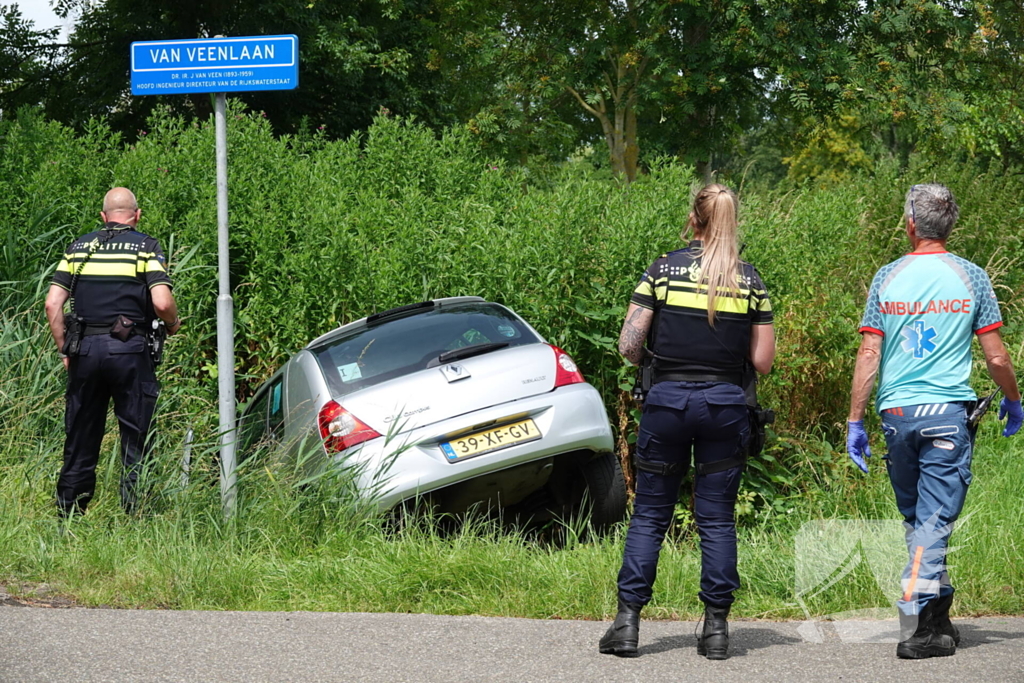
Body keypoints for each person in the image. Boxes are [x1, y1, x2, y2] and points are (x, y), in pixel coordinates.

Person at [599, 183, 775, 660]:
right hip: (725, 407)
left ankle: (627, 625)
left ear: (693, 220)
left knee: (651, 514)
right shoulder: (751, 281)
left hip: (667, 405)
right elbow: (762, 362)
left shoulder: (662, 270)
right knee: (716, 519)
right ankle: (716, 631)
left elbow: (628, 346)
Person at [846, 183, 1022, 659]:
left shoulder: (887, 277)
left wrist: (855, 421)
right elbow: (996, 356)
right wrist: (1013, 400)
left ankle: (936, 616)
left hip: (897, 416)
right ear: (951, 226)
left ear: (910, 224)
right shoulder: (971, 277)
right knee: (934, 522)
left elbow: (868, 354)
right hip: (947, 416)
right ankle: (918, 619)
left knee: (919, 520)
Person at [43, 187, 182, 517]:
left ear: (103, 217)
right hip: (130, 351)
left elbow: (52, 304)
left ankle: (68, 517)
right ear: (137, 215)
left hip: (86, 351)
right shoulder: (146, 247)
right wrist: (174, 323)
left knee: (81, 434)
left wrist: (66, 348)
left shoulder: (78, 248)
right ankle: (136, 517)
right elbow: (162, 302)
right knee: (135, 436)